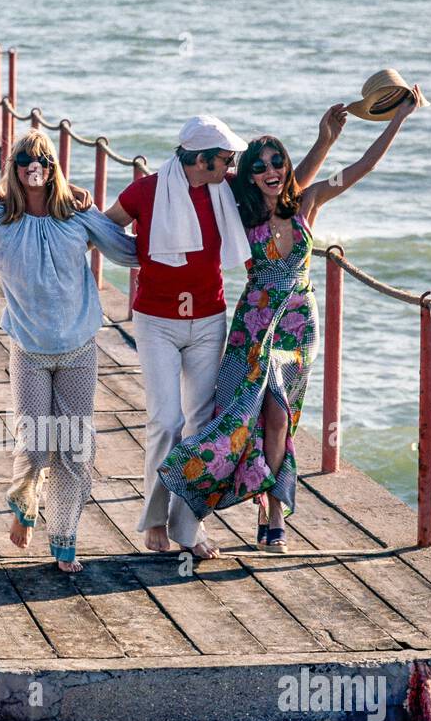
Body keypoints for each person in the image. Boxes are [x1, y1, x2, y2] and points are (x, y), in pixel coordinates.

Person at [158, 87, 424, 551]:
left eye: (276, 162)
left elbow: (363, 167)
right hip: (253, 325)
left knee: (280, 416)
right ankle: (187, 494)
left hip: (299, 323)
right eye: (258, 165)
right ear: (248, 175)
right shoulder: (239, 214)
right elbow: (190, 194)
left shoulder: (307, 203)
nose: (269, 171)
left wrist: (395, 119)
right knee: (239, 417)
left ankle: (273, 508)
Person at [104, 111, 343, 559]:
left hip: (209, 319)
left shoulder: (224, 190)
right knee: (165, 422)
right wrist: (138, 254)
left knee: (202, 422)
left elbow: (287, 185)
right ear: (202, 160)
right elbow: (104, 225)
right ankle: (155, 518)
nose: (232, 166)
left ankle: (186, 524)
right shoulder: (148, 190)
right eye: (225, 159)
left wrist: (324, 140)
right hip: (155, 320)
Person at [0, 130, 138, 572]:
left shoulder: (77, 216)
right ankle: (24, 507)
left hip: (78, 347)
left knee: (74, 449)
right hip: (29, 349)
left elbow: (128, 252)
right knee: (37, 444)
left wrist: (178, 228)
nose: (32, 165)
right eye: (23, 160)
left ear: (53, 165)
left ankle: (65, 540)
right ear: (14, 169)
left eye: (41, 158)